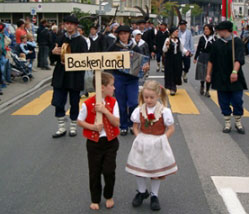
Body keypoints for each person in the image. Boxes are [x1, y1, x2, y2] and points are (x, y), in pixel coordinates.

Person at [126, 80, 177, 211]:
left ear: (158, 96)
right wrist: (139, 137)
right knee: (139, 168)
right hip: (142, 143)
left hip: (157, 143)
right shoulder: (139, 110)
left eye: (151, 97)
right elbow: (135, 127)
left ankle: (154, 195)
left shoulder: (164, 111)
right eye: (146, 97)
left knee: (156, 171)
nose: (148, 100)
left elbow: (171, 128)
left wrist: (163, 139)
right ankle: (142, 191)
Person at [77, 72, 120, 210]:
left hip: (110, 142)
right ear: (102, 87)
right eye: (112, 85)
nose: (114, 88)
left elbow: (116, 123)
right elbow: (79, 121)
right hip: (94, 143)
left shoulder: (113, 102)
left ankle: (109, 195)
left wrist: (105, 111)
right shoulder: (88, 103)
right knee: (94, 171)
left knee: (109, 170)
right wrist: (93, 127)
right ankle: (95, 198)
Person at [206, 21, 247, 134]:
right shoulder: (216, 44)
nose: (218, 32)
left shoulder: (237, 42)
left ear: (226, 30)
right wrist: (208, 74)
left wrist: (234, 72)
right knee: (223, 101)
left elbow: (239, 59)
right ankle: (227, 122)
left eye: (219, 30)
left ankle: (238, 121)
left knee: (237, 100)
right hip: (220, 76)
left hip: (235, 76)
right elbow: (211, 60)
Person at [107, 25, 149, 136]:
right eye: (121, 34)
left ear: (129, 34)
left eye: (125, 33)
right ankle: (123, 125)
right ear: (118, 35)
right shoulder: (114, 46)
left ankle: (132, 123)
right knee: (121, 103)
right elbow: (107, 60)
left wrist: (145, 67)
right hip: (119, 77)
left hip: (132, 79)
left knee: (133, 102)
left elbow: (143, 60)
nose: (124, 36)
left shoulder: (135, 47)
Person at [51, 15, 88, 138]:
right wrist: (54, 53)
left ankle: (73, 126)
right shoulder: (60, 38)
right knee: (58, 101)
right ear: (64, 25)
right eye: (67, 23)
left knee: (74, 101)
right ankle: (61, 127)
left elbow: (84, 59)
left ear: (76, 26)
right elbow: (53, 59)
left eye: (72, 24)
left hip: (75, 76)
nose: (69, 26)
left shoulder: (82, 41)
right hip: (60, 75)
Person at [162, 27, 187, 96]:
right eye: (176, 31)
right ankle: (172, 88)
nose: (177, 33)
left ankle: (174, 85)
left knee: (177, 72)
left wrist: (186, 52)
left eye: (177, 32)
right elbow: (164, 50)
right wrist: (167, 46)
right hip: (170, 59)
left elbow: (182, 48)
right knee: (170, 73)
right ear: (172, 32)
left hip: (177, 59)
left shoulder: (179, 40)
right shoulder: (167, 40)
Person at [194, 24, 216, 97]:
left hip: (211, 57)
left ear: (211, 30)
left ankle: (207, 90)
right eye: (205, 29)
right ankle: (202, 86)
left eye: (207, 29)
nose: (206, 30)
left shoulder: (214, 39)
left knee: (208, 73)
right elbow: (198, 49)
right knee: (202, 73)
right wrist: (195, 57)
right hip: (202, 56)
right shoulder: (202, 38)